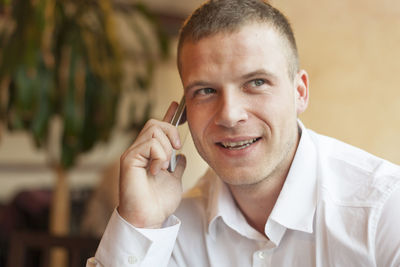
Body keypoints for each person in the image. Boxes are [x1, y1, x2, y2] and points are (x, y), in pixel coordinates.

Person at [87, 0, 400, 266]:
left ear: (300, 92)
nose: (229, 114)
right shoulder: (171, 225)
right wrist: (140, 225)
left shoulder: (384, 210)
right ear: (182, 113)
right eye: (206, 90)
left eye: (257, 82)